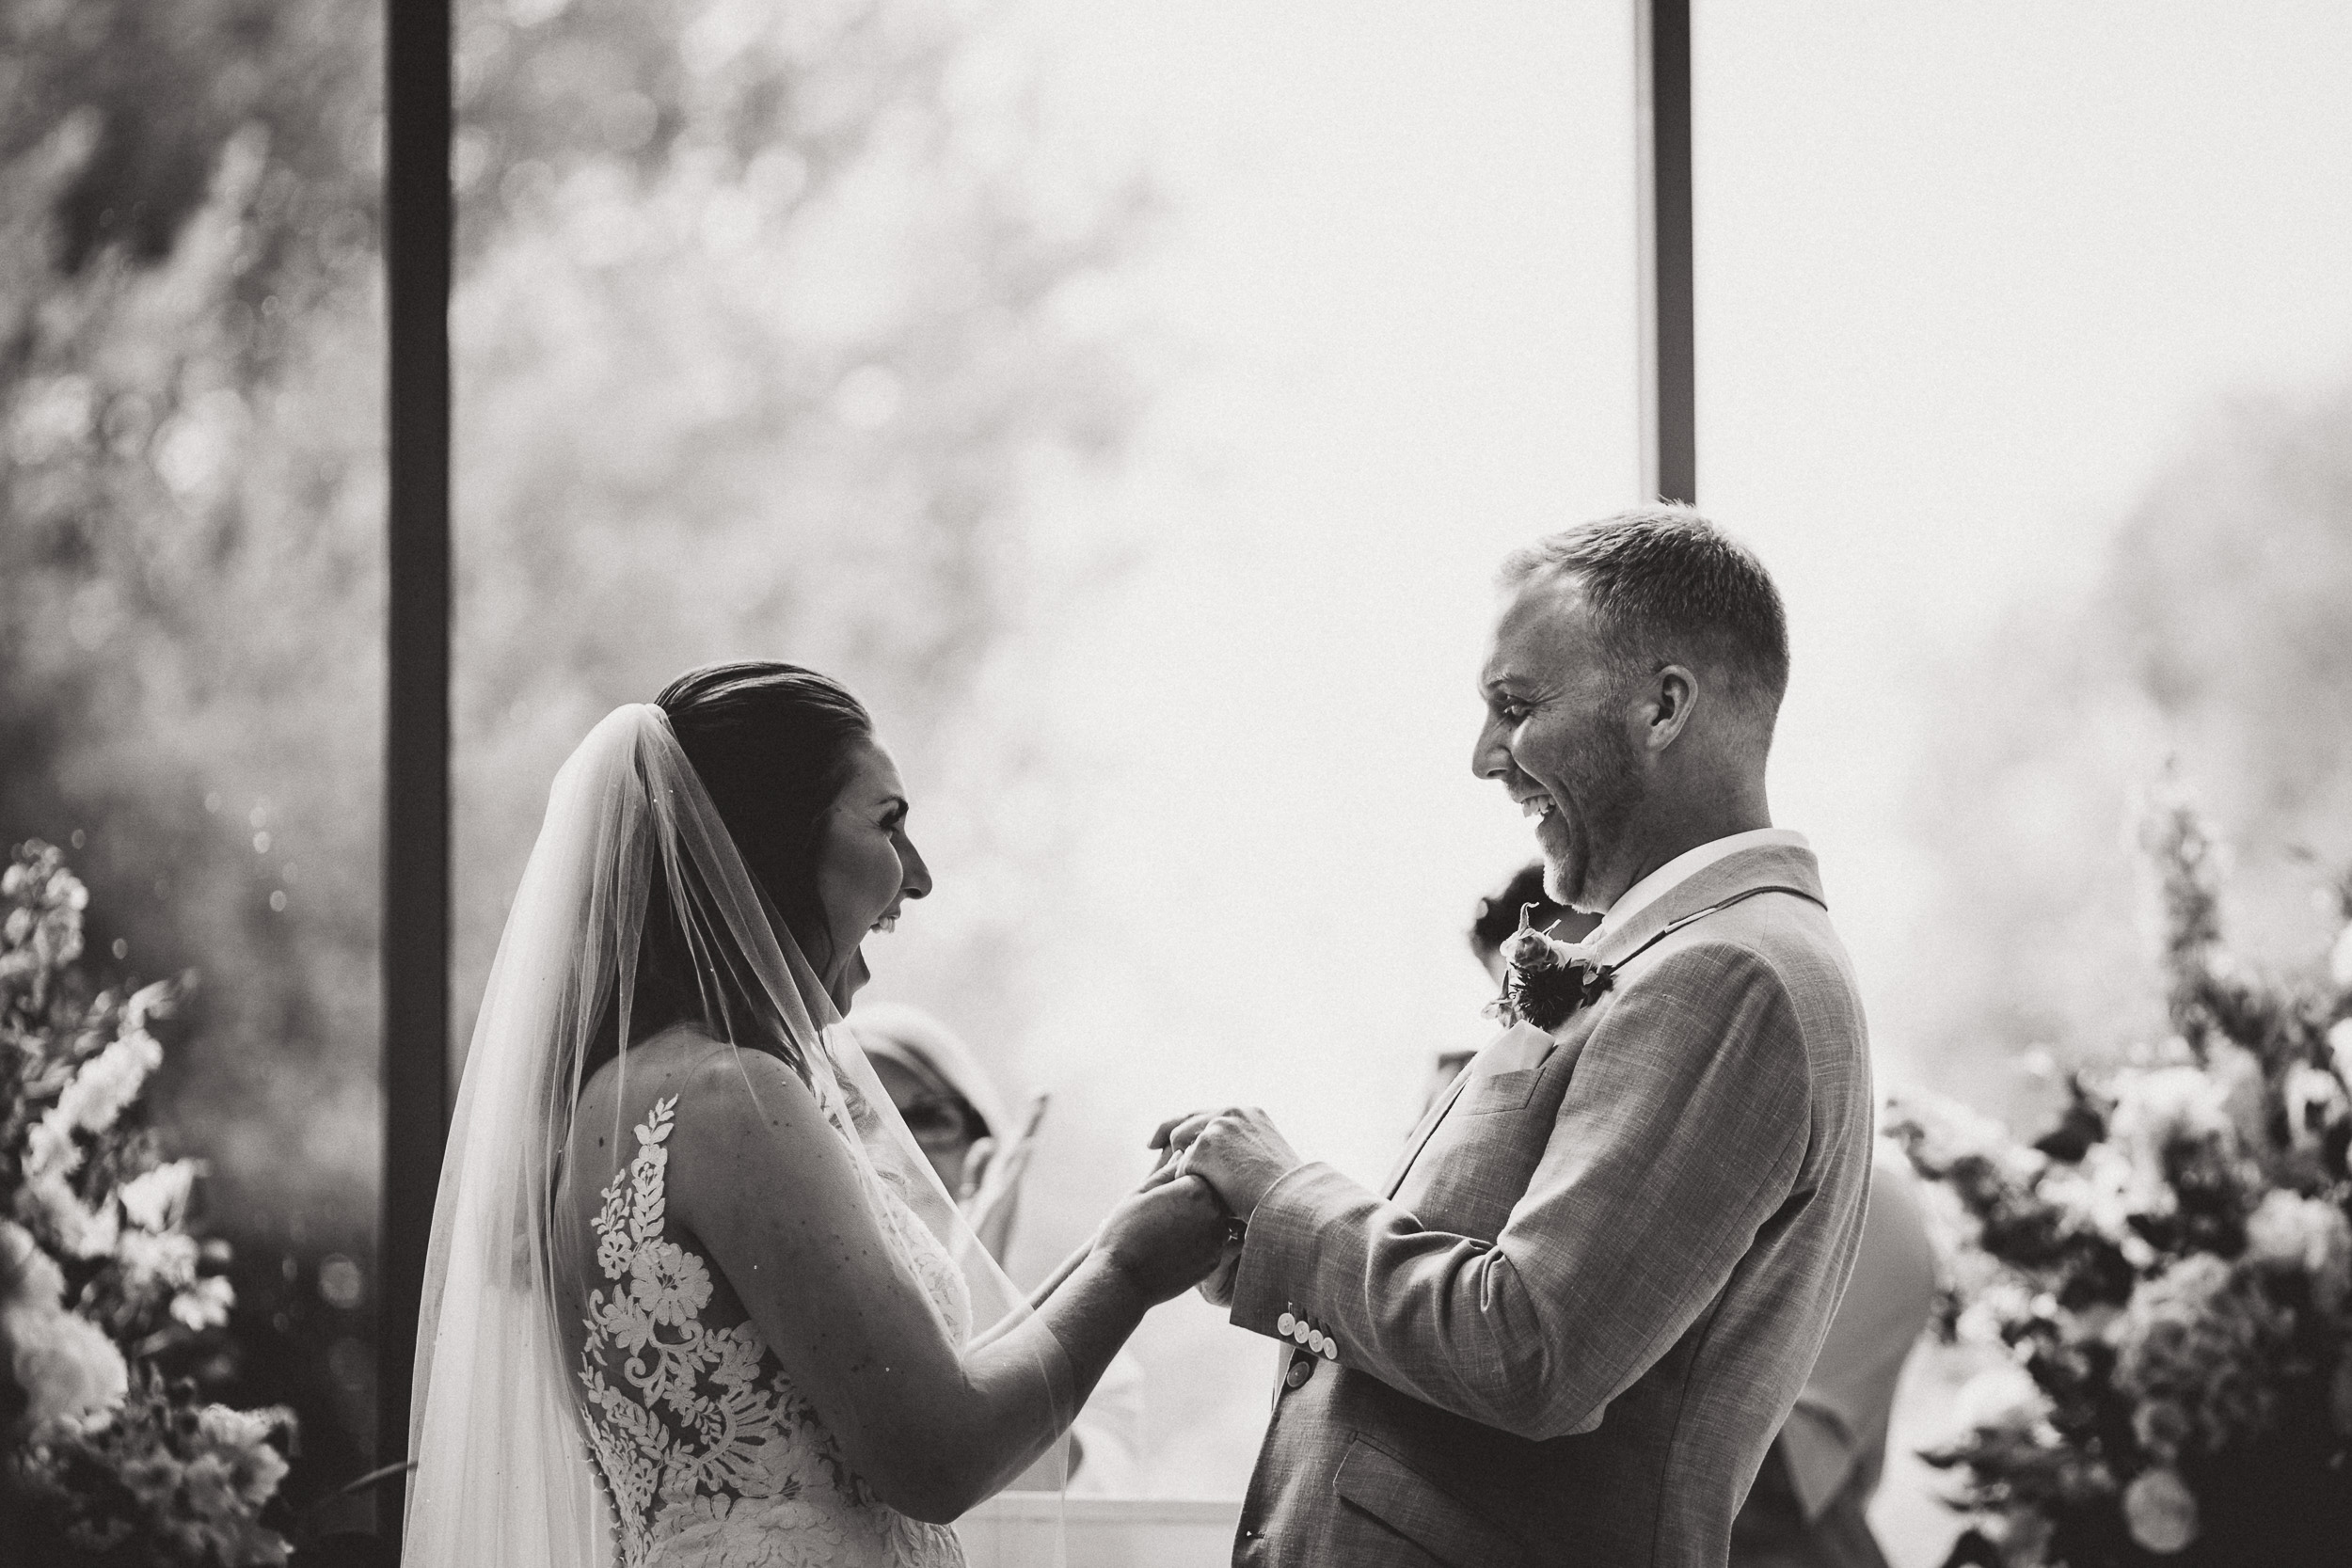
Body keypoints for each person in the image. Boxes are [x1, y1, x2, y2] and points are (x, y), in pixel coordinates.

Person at [1156, 508, 1876, 1568]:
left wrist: (1287, 1199)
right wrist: (1269, 1248)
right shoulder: (1678, 954)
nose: (1485, 755)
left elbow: (1532, 1346)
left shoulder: (1731, 974)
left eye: (1516, 705)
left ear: (1663, 705)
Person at [403, 664, 1231, 1568]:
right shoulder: (734, 1098)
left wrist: (1110, 1237)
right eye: (888, 824)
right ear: (770, 844)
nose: (917, 877)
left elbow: (862, 1410)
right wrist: (1131, 1266)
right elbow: (936, 1453)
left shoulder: (604, 1110)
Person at [850, 1002, 1149, 1495]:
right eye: (858, 1118)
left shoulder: (1094, 1350)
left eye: (927, 1117)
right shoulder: (801, 1336)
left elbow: (1074, 1515)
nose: (898, 1150)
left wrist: (978, 1279)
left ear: (984, 1140)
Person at [1729, 1141, 1935, 1568]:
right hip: (1810, 1470)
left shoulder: (1825, 1169)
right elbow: (1873, 1431)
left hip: (1751, 1440)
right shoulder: (1918, 1244)